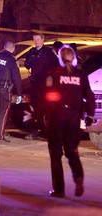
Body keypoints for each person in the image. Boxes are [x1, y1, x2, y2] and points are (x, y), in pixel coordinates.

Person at [45, 45, 95, 198]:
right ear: (74, 59)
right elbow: (90, 96)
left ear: (60, 58)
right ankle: (78, 177)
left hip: (58, 116)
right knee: (72, 151)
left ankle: (59, 190)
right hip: (74, 117)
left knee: (56, 153)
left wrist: (45, 113)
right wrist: (90, 115)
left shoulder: (54, 73)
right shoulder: (81, 75)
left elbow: (47, 95)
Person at [24, 32, 59, 140]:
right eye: (34, 40)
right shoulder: (31, 51)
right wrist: (31, 59)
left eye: (38, 39)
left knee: (48, 108)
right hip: (35, 84)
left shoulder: (48, 52)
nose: (36, 42)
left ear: (42, 40)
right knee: (34, 108)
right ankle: (34, 131)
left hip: (46, 85)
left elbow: (56, 65)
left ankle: (50, 133)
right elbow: (27, 64)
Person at [0, 41, 22, 144]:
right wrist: (19, 93)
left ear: (4, 47)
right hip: (4, 89)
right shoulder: (11, 60)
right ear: (13, 49)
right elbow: (16, 78)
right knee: (2, 112)